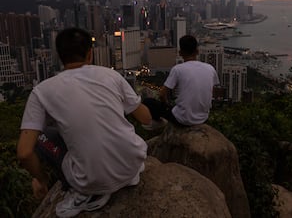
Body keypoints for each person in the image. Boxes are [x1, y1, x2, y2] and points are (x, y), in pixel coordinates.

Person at [17, 27, 152, 217]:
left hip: (91, 181)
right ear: (90, 54)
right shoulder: (111, 75)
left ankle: (85, 193)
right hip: (132, 166)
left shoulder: (42, 91)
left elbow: (24, 152)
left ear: (59, 56)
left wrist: (40, 179)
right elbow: (145, 118)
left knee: (43, 135)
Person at [143, 34, 220, 128]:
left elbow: (162, 94)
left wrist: (166, 104)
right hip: (203, 118)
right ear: (197, 51)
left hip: (182, 119)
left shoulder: (178, 69)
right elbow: (212, 91)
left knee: (148, 102)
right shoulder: (210, 68)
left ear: (180, 53)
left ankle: (160, 122)